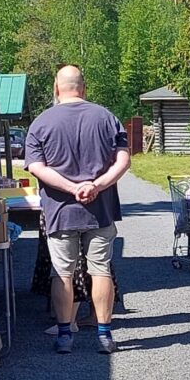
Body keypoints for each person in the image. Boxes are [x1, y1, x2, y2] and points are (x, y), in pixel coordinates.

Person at [25, 65, 130, 354]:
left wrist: (72, 189)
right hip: (101, 210)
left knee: (62, 272)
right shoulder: (108, 118)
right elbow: (123, 162)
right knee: (100, 270)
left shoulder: (41, 123)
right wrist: (96, 185)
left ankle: (64, 335)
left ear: (57, 89)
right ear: (83, 88)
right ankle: (105, 335)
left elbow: (36, 167)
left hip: (60, 212)